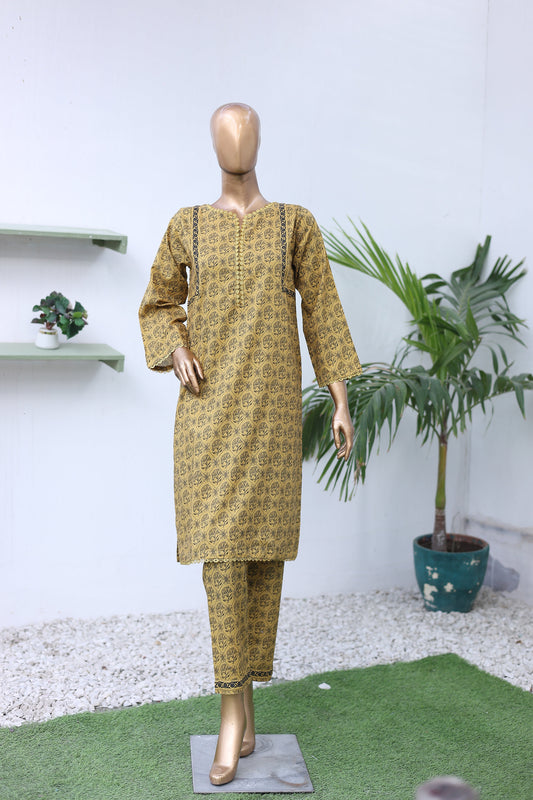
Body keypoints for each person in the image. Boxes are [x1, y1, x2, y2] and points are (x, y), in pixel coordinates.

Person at [139, 102, 361, 785]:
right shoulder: (187, 225)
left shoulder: (294, 223)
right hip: (207, 418)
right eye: (224, 132)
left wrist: (339, 397)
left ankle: (246, 703)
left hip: (268, 417)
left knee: (260, 560)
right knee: (220, 561)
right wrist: (173, 348)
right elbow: (156, 303)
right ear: (213, 144)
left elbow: (321, 307)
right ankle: (230, 715)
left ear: (258, 140)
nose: (235, 142)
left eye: (245, 130)